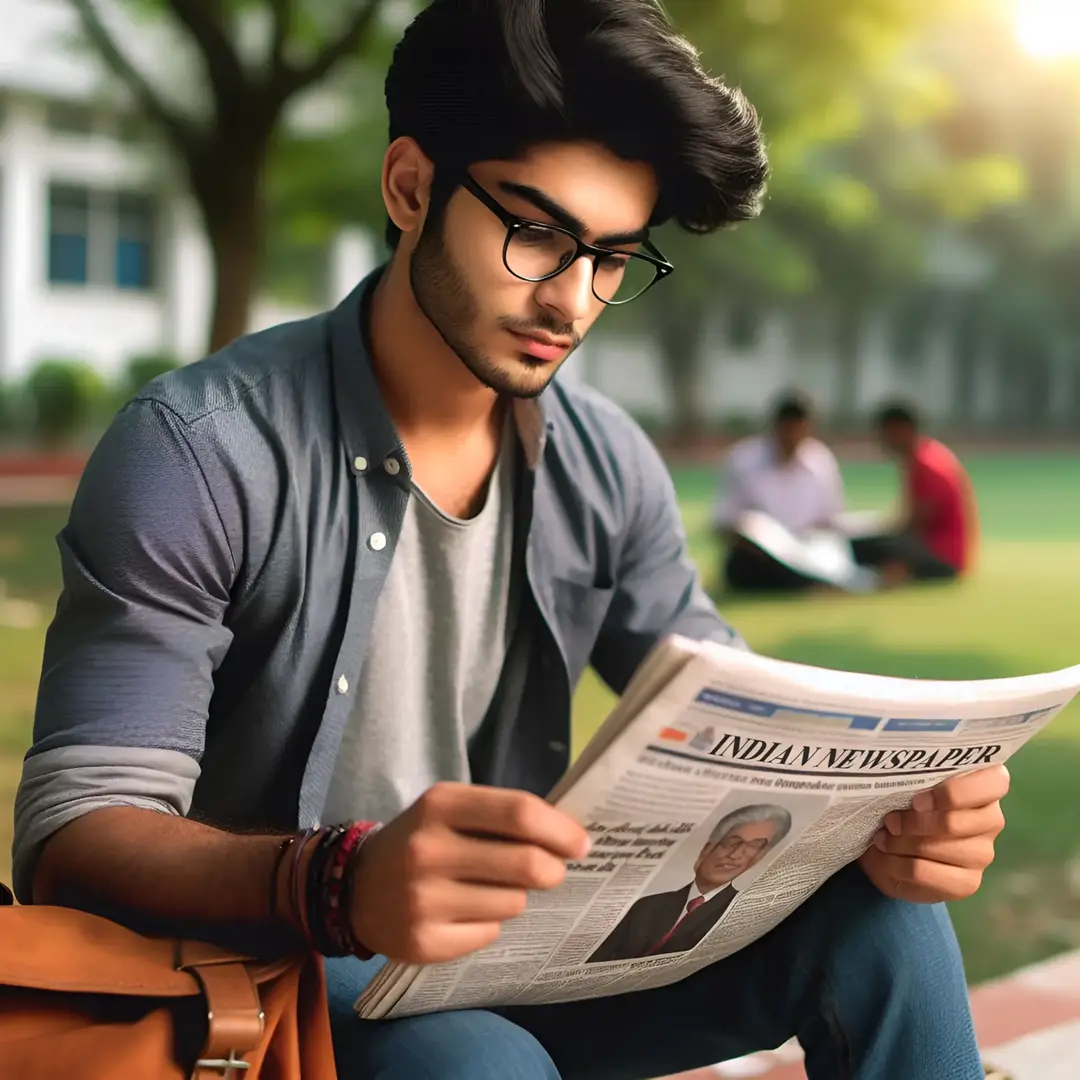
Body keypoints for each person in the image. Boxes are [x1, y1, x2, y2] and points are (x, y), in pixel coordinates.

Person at [12, 3, 1009, 1079]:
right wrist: (338, 881)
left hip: (523, 956)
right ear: (409, 188)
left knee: (885, 918)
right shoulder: (200, 451)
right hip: (277, 979)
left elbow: (733, 717)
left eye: (614, 258)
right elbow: (77, 834)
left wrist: (885, 817)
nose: (572, 301)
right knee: (480, 1059)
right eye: (536, 232)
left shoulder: (606, 462)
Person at [587, 805, 791, 963]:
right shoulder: (647, 905)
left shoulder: (741, 914)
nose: (735, 855)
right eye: (731, 842)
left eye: (754, 847)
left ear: (760, 857)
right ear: (707, 847)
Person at [712, 391, 847, 592]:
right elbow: (723, 521)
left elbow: (831, 519)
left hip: (808, 547)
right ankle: (812, 583)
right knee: (743, 565)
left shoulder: (820, 460)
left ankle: (812, 580)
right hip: (761, 554)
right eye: (787, 430)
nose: (792, 438)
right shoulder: (744, 459)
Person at [851, 402, 979, 586]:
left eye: (885, 432)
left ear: (901, 429)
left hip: (943, 558)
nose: (882, 440)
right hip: (945, 554)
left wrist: (877, 531)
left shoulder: (927, 465)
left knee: (862, 547)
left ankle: (892, 572)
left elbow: (915, 523)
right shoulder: (927, 455)